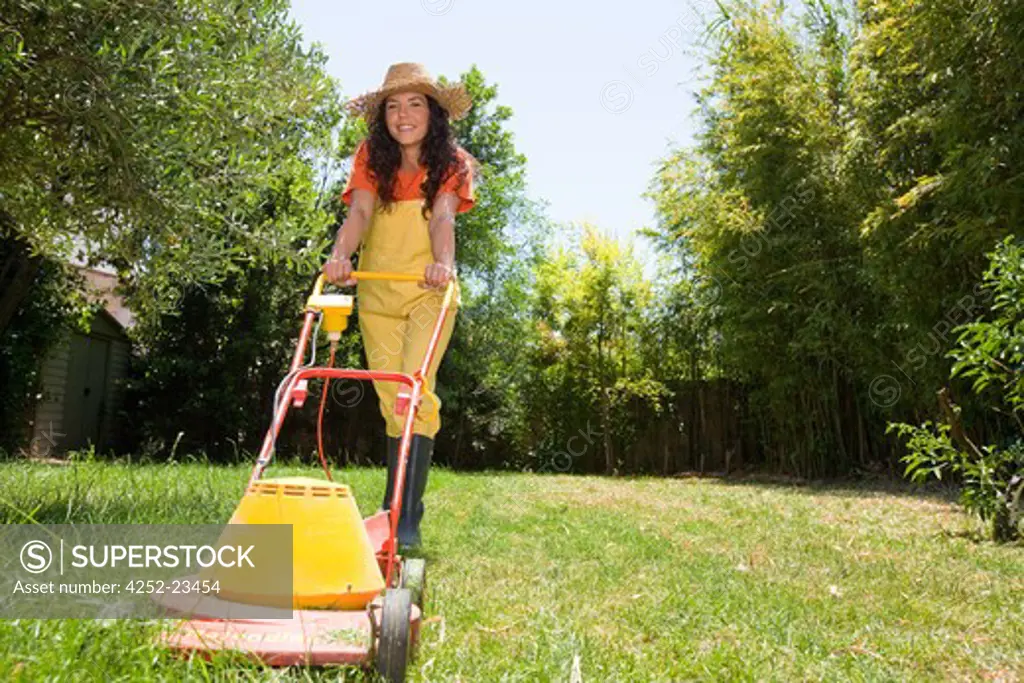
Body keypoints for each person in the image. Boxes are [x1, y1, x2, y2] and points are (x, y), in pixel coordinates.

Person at [324, 63, 475, 548]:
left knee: (413, 391)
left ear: (433, 112)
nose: (402, 115)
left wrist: (443, 265)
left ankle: (407, 519)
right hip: (378, 293)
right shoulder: (371, 156)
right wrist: (341, 254)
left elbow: (443, 221)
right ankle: (392, 511)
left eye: (414, 104)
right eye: (393, 105)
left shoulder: (451, 162)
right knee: (391, 399)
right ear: (381, 116)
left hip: (429, 291)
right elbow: (361, 212)